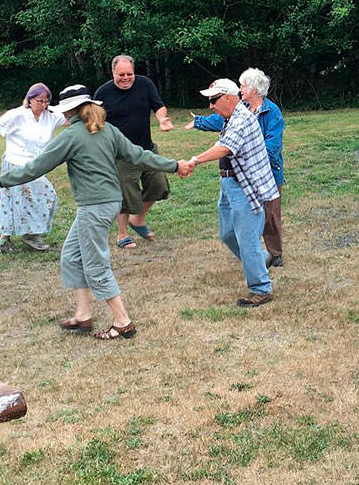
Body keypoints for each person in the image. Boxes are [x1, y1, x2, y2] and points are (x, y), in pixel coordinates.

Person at [0, 85, 183, 340]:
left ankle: (122, 322)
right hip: (107, 203)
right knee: (72, 255)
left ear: (70, 111)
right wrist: (174, 166)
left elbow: (35, 168)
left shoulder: (72, 136)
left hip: (94, 207)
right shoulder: (107, 130)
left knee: (95, 264)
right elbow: (139, 155)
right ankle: (83, 315)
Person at [179, 79, 279, 307]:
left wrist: (194, 160)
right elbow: (224, 142)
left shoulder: (241, 119)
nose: (211, 106)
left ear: (228, 98)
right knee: (227, 234)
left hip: (245, 187)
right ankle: (262, 259)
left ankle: (261, 289)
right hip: (230, 184)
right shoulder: (232, 118)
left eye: (214, 100)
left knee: (247, 240)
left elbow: (226, 147)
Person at [186, 69, 286, 267]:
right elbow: (219, 119)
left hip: (267, 172)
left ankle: (274, 254)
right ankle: (256, 255)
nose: (240, 90)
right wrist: (199, 121)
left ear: (255, 90)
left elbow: (273, 144)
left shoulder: (271, 111)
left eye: (243, 86)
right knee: (250, 217)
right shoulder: (242, 108)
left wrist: (255, 161)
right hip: (244, 175)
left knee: (270, 215)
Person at [0, 83, 65, 253]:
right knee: (13, 202)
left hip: (35, 166)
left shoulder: (51, 116)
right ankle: (7, 240)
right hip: (15, 163)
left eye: (47, 101)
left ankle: (31, 234)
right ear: (30, 100)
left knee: (47, 196)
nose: (44, 105)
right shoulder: (17, 115)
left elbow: (73, 116)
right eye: (40, 101)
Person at [94, 54, 173, 248]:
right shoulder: (103, 94)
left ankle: (138, 219)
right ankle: (122, 235)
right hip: (120, 155)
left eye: (130, 73)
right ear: (113, 72)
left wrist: (162, 119)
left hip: (146, 149)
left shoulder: (144, 84)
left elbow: (159, 106)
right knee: (127, 193)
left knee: (159, 185)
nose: (126, 78)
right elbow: (95, 121)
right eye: (121, 74)